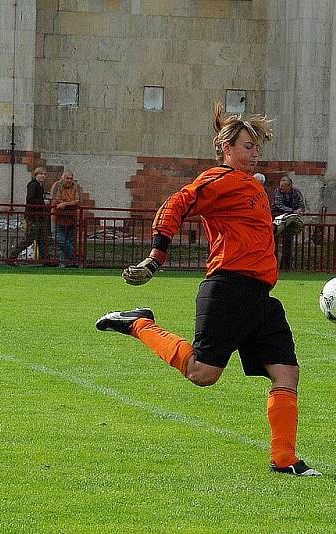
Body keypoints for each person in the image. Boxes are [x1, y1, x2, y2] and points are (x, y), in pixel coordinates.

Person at [95, 102, 320, 477]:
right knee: (203, 373)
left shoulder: (251, 187)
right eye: (248, 146)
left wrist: (279, 225)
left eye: (257, 146)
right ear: (226, 148)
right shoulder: (218, 179)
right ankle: (139, 324)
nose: (255, 153)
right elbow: (174, 204)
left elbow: (247, 231)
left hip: (260, 297)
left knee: (286, 372)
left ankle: (285, 460)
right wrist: (155, 257)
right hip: (229, 288)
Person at [8, 166, 51, 262]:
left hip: (39, 216)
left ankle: (45, 259)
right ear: (36, 175)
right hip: (33, 216)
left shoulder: (39, 185)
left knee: (42, 239)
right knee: (29, 239)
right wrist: (43, 202)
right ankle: (12, 256)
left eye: (44, 174)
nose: (42, 176)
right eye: (40, 174)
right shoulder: (33, 185)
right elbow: (30, 199)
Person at [271, 175, 306, 270]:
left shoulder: (296, 193)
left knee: (288, 243)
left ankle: (286, 267)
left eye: (283, 186)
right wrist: (292, 211)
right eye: (280, 186)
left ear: (289, 186)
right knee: (273, 243)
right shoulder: (277, 191)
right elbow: (278, 205)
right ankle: (273, 266)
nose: (280, 188)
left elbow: (302, 205)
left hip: (289, 219)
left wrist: (299, 210)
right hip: (276, 218)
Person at [50, 170, 82, 268]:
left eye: (71, 178)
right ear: (62, 178)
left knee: (69, 240)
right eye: (67, 178)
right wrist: (69, 202)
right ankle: (75, 257)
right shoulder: (57, 185)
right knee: (59, 239)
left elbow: (79, 201)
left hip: (71, 217)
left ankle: (64, 264)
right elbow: (55, 201)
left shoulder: (77, 186)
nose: (69, 180)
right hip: (57, 217)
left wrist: (65, 204)